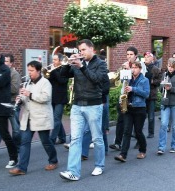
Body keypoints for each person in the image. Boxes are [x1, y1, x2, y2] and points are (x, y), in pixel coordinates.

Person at [59, 39, 107, 181]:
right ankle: (73, 171)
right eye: (79, 50)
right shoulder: (77, 64)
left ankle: (99, 165)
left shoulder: (101, 64)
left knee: (97, 138)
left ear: (92, 49)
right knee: (75, 139)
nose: (81, 53)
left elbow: (97, 79)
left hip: (94, 105)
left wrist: (82, 67)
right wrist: (68, 64)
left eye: (84, 50)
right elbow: (63, 75)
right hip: (77, 105)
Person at [8, 60, 58, 175]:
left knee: (45, 141)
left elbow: (45, 98)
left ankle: (53, 160)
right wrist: (20, 100)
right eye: (28, 70)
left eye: (31, 70)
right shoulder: (27, 83)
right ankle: (22, 168)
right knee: (24, 142)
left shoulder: (45, 83)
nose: (29, 73)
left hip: (41, 117)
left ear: (38, 71)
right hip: (28, 117)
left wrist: (29, 94)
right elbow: (27, 99)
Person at [114, 61, 150, 161]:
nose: (133, 69)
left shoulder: (144, 80)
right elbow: (123, 90)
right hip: (128, 108)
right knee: (127, 131)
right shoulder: (128, 79)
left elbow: (146, 94)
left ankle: (142, 150)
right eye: (132, 67)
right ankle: (123, 155)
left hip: (139, 108)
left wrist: (133, 89)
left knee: (138, 131)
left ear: (140, 69)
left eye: (135, 67)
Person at [0, 53, 21, 157]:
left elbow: (15, 89)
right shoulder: (1, 73)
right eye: (4, 61)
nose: (4, 63)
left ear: (11, 63)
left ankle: (17, 148)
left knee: (15, 128)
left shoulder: (14, 74)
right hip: (3, 103)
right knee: (0, 127)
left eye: (6, 61)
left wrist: (1, 87)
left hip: (12, 103)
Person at [109, 46, 137, 151]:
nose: (129, 57)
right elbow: (120, 80)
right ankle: (117, 143)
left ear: (135, 56)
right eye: (127, 54)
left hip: (134, 97)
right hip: (123, 96)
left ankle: (139, 141)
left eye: (131, 54)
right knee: (120, 121)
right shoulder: (124, 65)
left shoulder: (139, 65)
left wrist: (130, 69)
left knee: (134, 125)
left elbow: (138, 78)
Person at [157, 58, 175, 154]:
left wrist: (171, 88)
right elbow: (160, 89)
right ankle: (161, 147)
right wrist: (163, 87)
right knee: (163, 124)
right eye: (169, 66)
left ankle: (174, 145)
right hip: (165, 103)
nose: (170, 68)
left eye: (172, 67)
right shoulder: (164, 75)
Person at [49, 53, 68, 145]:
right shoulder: (52, 70)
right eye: (53, 60)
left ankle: (51, 139)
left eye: (55, 60)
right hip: (52, 97)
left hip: (60, 98)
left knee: (56, 119)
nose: (53, 62)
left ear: (60, 61)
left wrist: (54, 72)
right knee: (56, 119)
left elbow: (62, 81)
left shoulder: (64, 69)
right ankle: (62, 137)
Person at [143, 52, 161, 138]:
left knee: (151, 116)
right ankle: (137, 132)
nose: (146, 58)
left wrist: (152, 81)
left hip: (151, 94)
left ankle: (151, 132)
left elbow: (159, 81)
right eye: (145, 56)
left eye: (148, 56)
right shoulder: (141, 67)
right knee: (140, 115)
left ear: (152, 58)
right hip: (142, 94)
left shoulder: (156, 69)